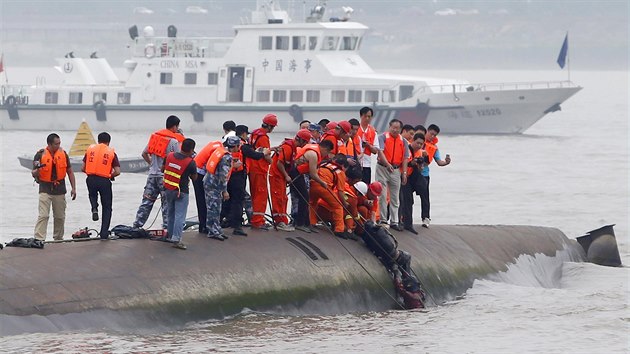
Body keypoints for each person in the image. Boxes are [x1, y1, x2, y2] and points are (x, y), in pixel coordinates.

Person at [133, 115, 184, 232]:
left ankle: (136, 225)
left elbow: (144, 153)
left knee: (146, 201)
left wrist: (151, 164)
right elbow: (177, 158)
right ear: (175, 126)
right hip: (164, 177)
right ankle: (166, 228)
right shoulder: (173, 141)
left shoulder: (155, 137)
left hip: (152, 175)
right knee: (166, 203)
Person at [31, 133, 77, 241]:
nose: (59, 145)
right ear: (49, 144)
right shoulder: (40, 155)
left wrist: (74, 188)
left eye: (59, 143)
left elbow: (70, 172)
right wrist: (37, 170)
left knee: (60, 217)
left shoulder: (63, 154)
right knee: (43, 215)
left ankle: (58, 238)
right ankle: (39, 239)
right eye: (56, 144)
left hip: (60, 189)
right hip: (44, 189)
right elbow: (33, 173)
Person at [229, 125, 272, 236]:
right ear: (243, 134)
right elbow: (254, 155)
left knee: (232, 200)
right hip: (238, 176)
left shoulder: (230, 143)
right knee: (238, 201)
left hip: (231, 175)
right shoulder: (242, 145)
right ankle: (237, 226)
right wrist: (265, 153)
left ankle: (229, 222)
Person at [269, 129, 311, 231]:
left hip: (281, 176)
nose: (305, 144)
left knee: (283, 198)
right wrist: (286, 175)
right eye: (305, 142)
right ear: (301, 140)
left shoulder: (293, 147)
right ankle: (279, 221)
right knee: (278, 197)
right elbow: (280, 163)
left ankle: (283, 220)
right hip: (276, 175)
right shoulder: (288, 147)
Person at [82, 132, 121, 239]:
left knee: (92, 195)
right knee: (107, 207)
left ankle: (94, 207)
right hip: (104, 180)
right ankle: (104, 233)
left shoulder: (90, 150)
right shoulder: (111, 152)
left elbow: (82, 168)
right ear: (108, 142)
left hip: (90, 179)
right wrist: (110, 175)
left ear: (98, 141)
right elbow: (117, 171)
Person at [375, 119, 409, 231]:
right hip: (382, 168)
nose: (395, 130)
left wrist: (404, 173)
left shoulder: (403, 141)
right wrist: (387, 163)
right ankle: (383, 219)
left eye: (397, 128)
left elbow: (405, 158)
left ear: (400, 129)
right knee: (383, 195)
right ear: (389, 127)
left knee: (395, 197)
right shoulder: (383, 137)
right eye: (393, 127)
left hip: (395, 170)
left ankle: (395, 221)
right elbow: (380, 151)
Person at [204, 136, 241, 240]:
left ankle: (216, 229)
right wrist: (225, 191)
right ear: (235, 146)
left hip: (209, 182)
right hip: (214, 185)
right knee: (214, 209)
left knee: (214, 208)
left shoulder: (221, 151)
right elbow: (223, 176)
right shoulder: (227, 157)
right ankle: (213, 231)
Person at [291, 139, 332, 233]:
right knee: (304, 197)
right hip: (295, 173)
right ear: (325, 148)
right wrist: (322, 182)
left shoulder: (314, 148)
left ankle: (306, 223)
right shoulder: (313, 154)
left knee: (305, 197)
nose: (326, 154)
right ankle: (300, 223)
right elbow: (313, 174)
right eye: (327, 152)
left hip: (300, 173)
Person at [163, 138, 197, 250]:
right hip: (181, 192)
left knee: (170, 213)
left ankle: (170, 235)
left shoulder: (169, 155)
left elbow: (163, 168)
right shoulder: (190, 162)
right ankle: (176, 239)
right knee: (180, 216)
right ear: (191, 150)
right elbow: (194, 178)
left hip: (168, 189)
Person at [247, 113, 277, 230]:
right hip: (260, 169)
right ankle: (258, 221)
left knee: (254, 194)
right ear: (270, 126)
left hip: (252, 168)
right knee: (261, 195)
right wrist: (271, 161)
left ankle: (254, 218)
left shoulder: (254, 133)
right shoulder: (264, 137)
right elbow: (266, 155)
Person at [309, 154, 350, 239]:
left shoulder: (324, 164)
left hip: (312, 184)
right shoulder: (340, 172)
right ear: (343, 166)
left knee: (312, 203)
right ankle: (339, 229)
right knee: (338, 206)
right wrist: (345, 203)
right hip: (323, 186)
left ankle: (311, 222)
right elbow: (340, 192)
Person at [419, 124, 451, 228]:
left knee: (425, 197)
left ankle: (426, 218)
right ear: (426, 131)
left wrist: (446, 162)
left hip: (424, 174)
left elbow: (439, 162)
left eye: (434, 135)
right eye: (431, 133)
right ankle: (403, 217)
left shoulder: (434, 147)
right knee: (407, 197)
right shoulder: (418, 141)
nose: (432, 136)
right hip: (413, 172)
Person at [399, 133, 428, 235]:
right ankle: (405, 223)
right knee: (406, 200)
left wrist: (420, 164)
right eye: (418, 143)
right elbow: (403, 163)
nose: (419, 145)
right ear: (413, 141)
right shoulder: (407, 149)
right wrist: (412, 164)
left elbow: (420, 169)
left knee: (412, 198)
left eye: (421, 144)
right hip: (404, 176)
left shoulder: (420, 152)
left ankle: (406, 222)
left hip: (413, 178)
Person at [192, 140, 223, 234]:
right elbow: (213, 168)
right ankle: (204, 226)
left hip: (197, 170)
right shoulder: (219, 152)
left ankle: (204, 225)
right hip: (200, 174)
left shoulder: (217, 146)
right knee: (204, 200)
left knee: (202, 200)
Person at [356, 107, 386, 184]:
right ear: (361, 116)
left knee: (366, 187)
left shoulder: (373, 132)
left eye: (369, 116)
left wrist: (368, 145)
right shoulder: (355, 129)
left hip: (367, 164)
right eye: (365, 116)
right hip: (355, 163)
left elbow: (375, 151)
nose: (367, 118)